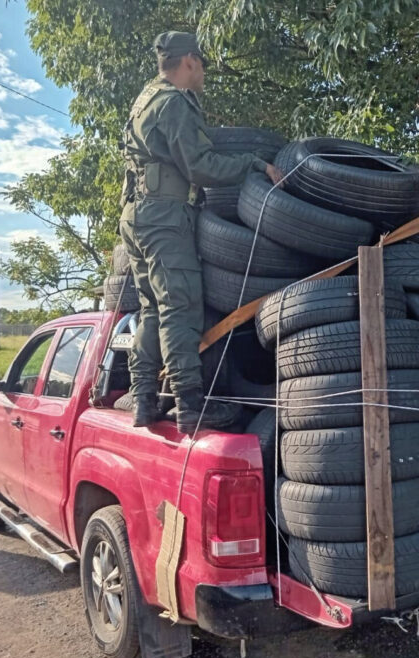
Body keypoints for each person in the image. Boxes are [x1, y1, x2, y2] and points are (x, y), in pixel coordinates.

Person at [115, 30, 284, 435]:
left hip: (135, 216)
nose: (204, 70)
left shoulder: (145, 99)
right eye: (201, 62)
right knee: (180, 306)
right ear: (188, 60)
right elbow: (201, 167)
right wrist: (254, 165)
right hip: (164, 214)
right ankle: (190, 406)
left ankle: (142, 401)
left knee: (152, 310)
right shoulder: (174, 104)